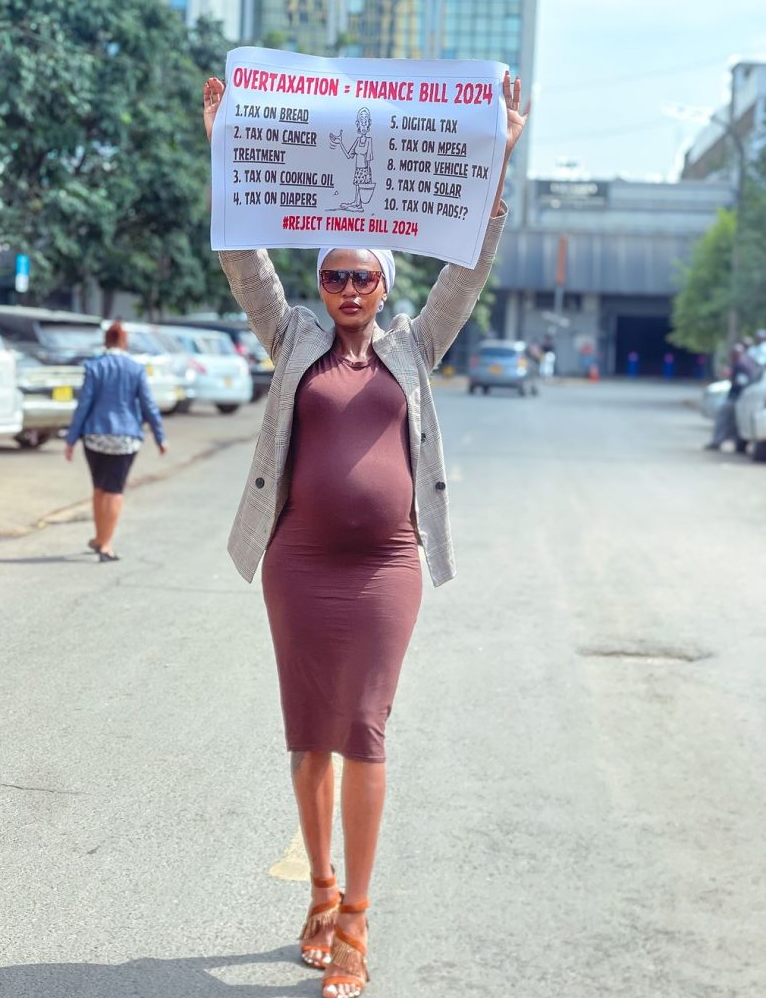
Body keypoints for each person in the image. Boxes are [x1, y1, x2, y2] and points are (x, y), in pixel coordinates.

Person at [205, 72, 527, 998]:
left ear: (386, 284)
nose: (348, 288)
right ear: (322, 286)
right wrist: (228, 142)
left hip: (388, 568)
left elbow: (468, 267)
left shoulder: (414, 347)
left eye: (364, 276)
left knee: (365, 732)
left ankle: (356, 922)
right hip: (296, 564)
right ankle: (317, 888)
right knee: (308, 735)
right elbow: (245, 264)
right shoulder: (292, 337)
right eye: (335, 276)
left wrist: (496, 151)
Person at [65, 321, 167, 560]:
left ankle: (99, 537)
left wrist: (71, 439)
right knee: (114, 490)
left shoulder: (94, 367)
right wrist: (160, 436)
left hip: (95, 437)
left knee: (99, 488)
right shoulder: (135, 369)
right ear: (125, 342)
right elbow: (148, 406)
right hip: (125, 439)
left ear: (105, 341)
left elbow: (83, 406)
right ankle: (106, 543)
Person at [705, 343, 752, 452]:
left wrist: (730, 376)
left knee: (723, 416)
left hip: (737, 399)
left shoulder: (741, 365)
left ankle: (717, 442)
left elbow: (742, 383)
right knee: (734, 422)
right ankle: (736, 444)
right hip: (739, 398)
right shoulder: (739, 364)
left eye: (734, 354)